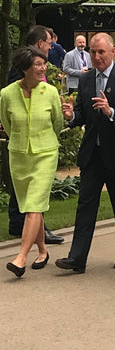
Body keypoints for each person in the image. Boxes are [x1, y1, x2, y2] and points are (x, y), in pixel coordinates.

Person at [56, 33, 115, 274]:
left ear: (113, 52)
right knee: (85, 205)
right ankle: (77, 258)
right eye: (93, 52)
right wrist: (72, 116)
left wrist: (110, 111)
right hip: (93, 153)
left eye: (101, 52)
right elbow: (82, 114)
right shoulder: (86, 80)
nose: (96, 56)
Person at [0, 47, 63, 277]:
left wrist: (47, 140)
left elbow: (57, 123)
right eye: (38, 64)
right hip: (18, 156)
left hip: (45, 153)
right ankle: (43, 250)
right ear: (25, 68)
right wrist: (18, 140)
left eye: (43, 64)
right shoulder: (6, 94)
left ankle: (21, 257)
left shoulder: (51, 92)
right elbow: (7, 124)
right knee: (30, 206)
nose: (43, 68)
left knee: (34, 206)